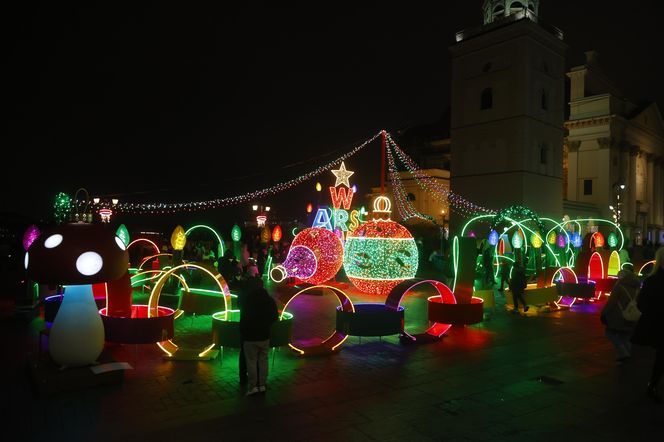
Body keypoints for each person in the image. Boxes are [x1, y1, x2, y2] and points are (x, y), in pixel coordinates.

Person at [631, 246, 664, 403]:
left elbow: (641, 304)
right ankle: (652, 386)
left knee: (661, 356)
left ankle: (652, 385)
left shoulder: (651, 281)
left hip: (657, 325)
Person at [240, 277, 278, 396]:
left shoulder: (248, 299)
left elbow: (244, 317)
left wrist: (243, 330)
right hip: (264, 335)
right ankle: (262, 385)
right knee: (263, 361)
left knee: (251, 362)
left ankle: (253, 386)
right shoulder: (269, 300)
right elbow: (274, 317)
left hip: (250, 336)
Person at [600, 269, 640, 362]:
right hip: (631, 315)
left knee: (610, 334)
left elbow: (611, 303)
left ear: (622, 277)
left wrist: (604, 313)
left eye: (619, 277)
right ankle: (628, 355)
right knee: (625, 336)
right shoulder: (637, 287)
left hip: (618, 316)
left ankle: (624, 354)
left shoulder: (619, 286)